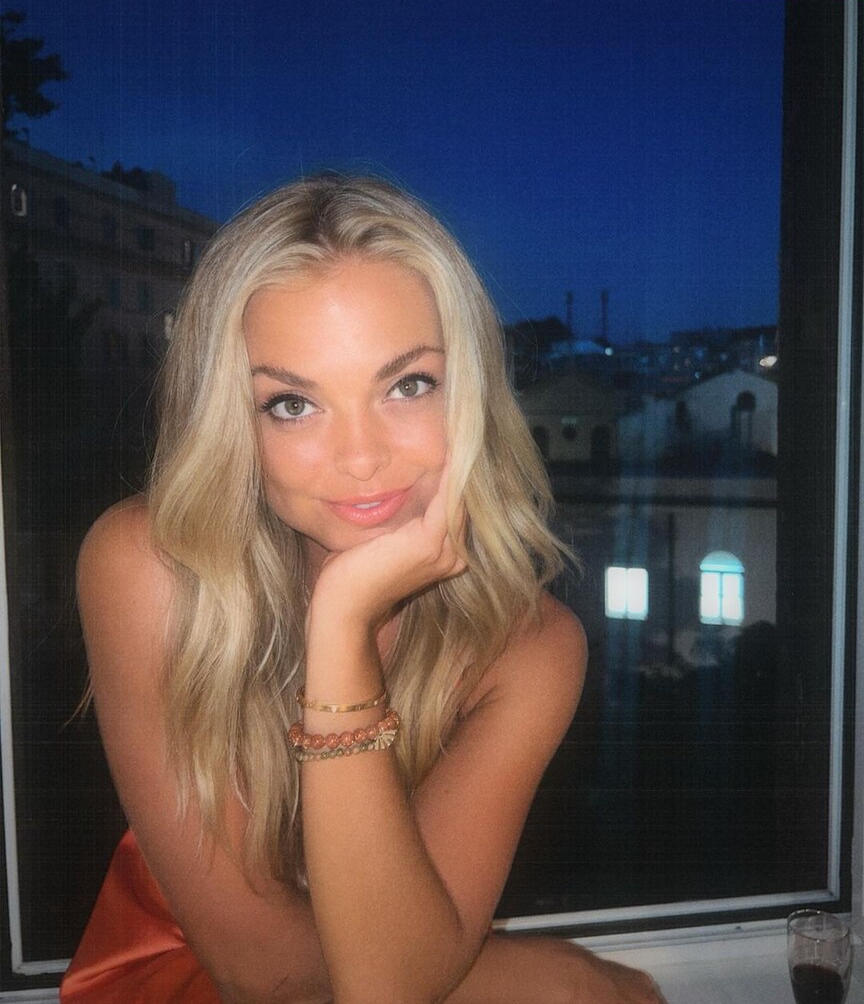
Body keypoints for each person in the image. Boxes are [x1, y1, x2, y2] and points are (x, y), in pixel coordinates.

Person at [61, 175, 666, 1004]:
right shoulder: (149, 567)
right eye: (292, 403)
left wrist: (340, 624)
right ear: (232, 422)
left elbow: (395, 979)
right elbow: (264, 971)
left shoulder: (530, 646)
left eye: (407, 385)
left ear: (470, 393)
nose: (360, 458)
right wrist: (544, 976)